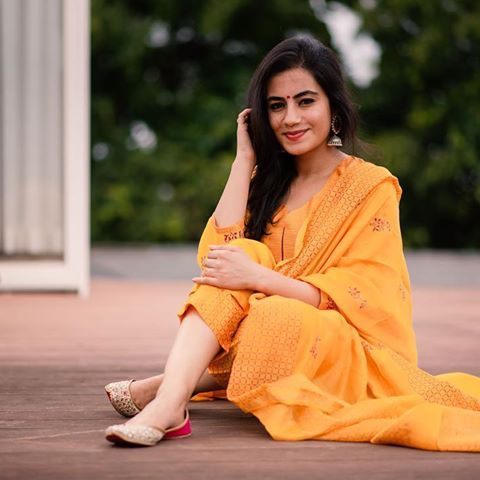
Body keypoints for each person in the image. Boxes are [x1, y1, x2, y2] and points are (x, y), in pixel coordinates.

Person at [104, 35, 480, 450]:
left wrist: (259, 278)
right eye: (276, 105)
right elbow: (216, 259)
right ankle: (169, 406)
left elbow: (366, 299)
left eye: (305, 101)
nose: (290, 118)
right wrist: (243, 160)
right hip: (263, 330)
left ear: (333, 108)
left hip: (341, 346)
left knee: (274, 313)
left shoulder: (370, 186)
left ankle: (173, 385)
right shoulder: (265, 181)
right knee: (243, 256)